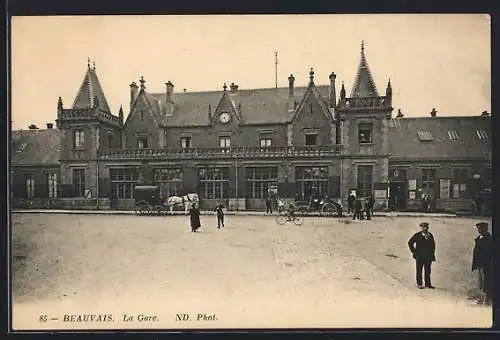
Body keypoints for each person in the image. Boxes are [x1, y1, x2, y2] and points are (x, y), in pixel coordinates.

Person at [408, 222, 436, 289]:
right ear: (421, 228)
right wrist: (414, 252)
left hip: (428, 256)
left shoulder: (430, 235)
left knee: (428, 270)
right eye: (423, 227)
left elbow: (433, 246)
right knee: (419, 270)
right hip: (420, 256)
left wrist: (432, 254)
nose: (425, 228)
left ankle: (428, 284)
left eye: (426, 227)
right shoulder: (417, 235)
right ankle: (419, 284)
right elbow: (410, 242)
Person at [471, 222, 492, 305]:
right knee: (481, 281)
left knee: (486, 281)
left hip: (486, 264)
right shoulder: (480, 238)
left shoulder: (488, 239)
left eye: (481, 228)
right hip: (480, 263)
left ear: (485, 229)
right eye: (479, 228)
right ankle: (482, 298)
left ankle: (486, 299)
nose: (479, 230)